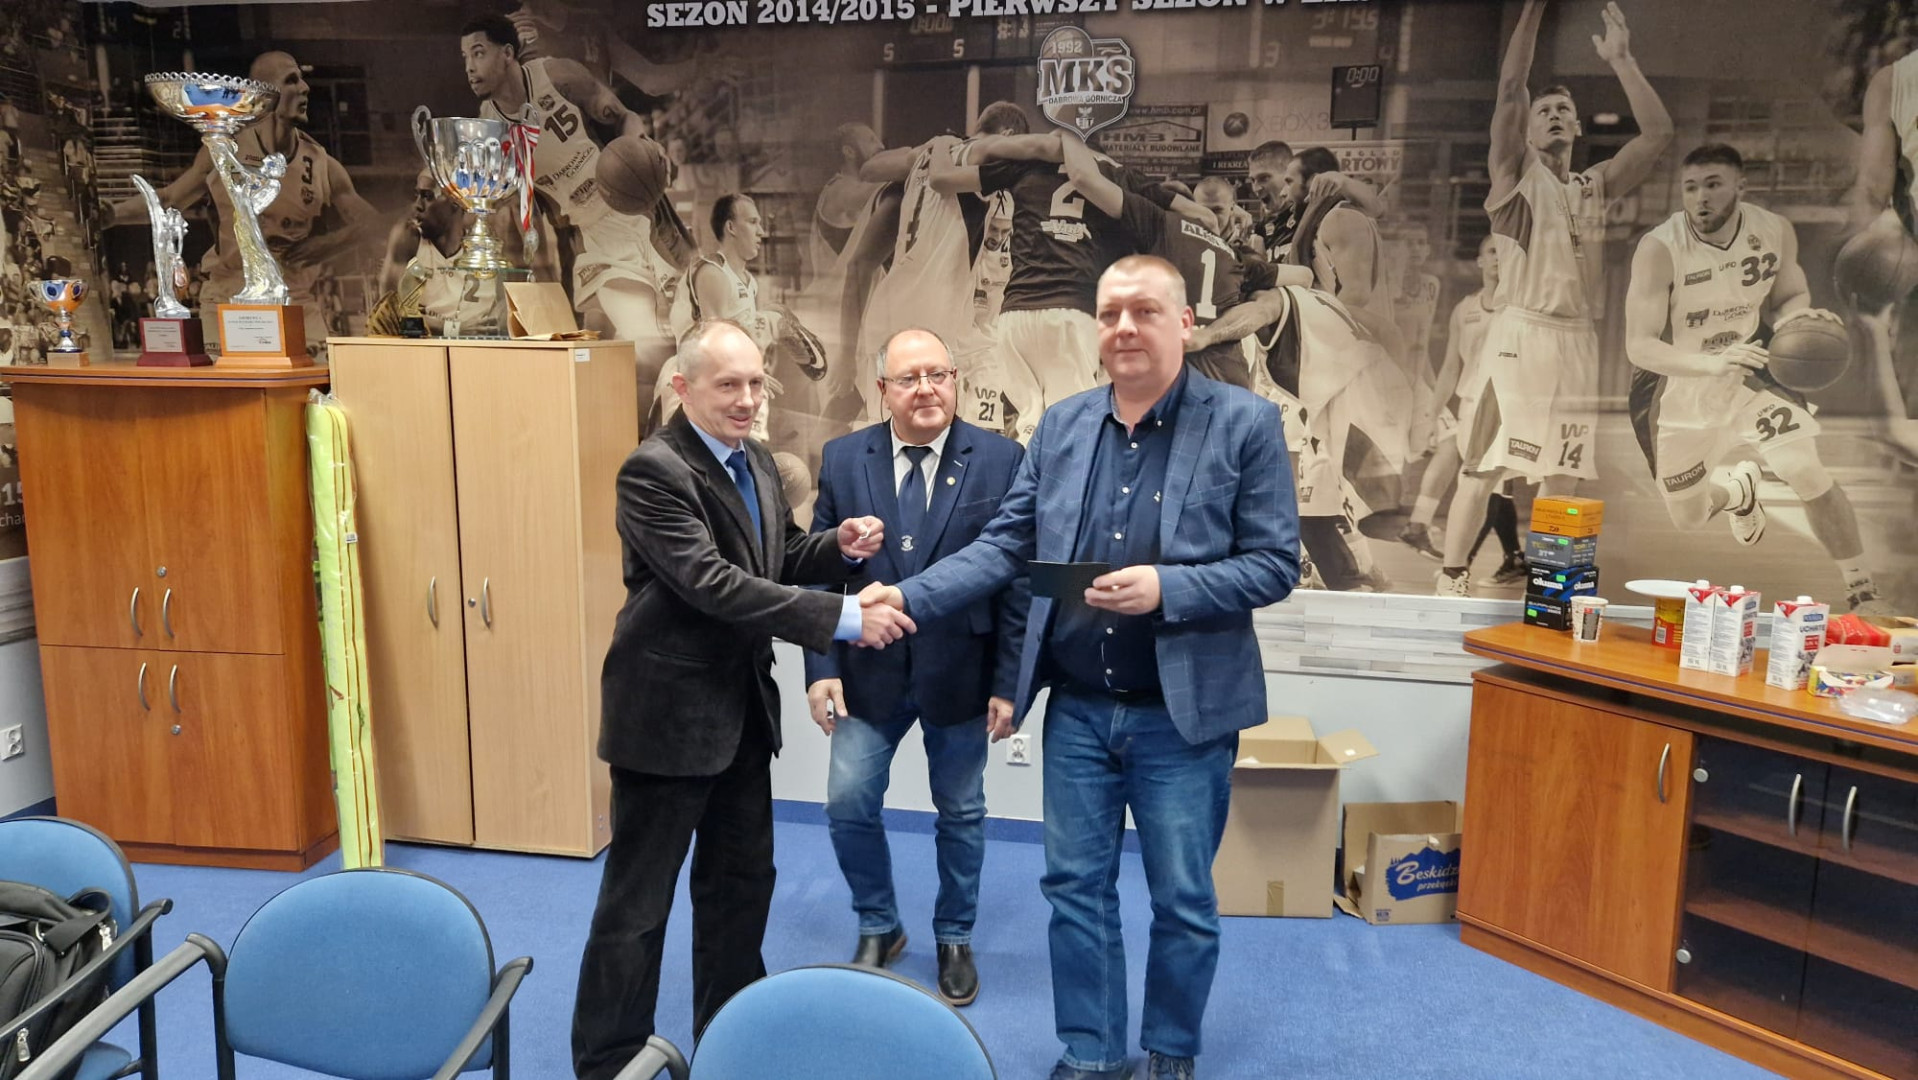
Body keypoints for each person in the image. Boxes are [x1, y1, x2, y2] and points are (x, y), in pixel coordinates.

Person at [863, 255, 1300, 1080]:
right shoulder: (1062, 427)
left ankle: (1170, 1050)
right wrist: (908, 596)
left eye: (1144, 311)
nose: (1124, 328)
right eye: (1109, 313)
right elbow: (1004, 545)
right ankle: (1093, 1053)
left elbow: (1274, 564)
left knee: (1182, 898)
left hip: (1183, 717)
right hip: (1078, 711)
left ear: (1185, 324)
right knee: (1074, 889)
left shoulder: (1245, 424)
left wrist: (1169, 588)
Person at [575, 319, 916, 1080]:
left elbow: (775, 556)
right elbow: (713, 584)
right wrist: (845, 617)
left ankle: (729, 1039)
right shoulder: (653, 471)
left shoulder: (754, 458)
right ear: (682, 386)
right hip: (664, 721)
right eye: (728, 384)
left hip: (740, 719)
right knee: (638, 905)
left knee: (740, 888)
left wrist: (836, 547)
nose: (747, 399)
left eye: (756, 383)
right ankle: (607, 1060)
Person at [803, 326, 1029, 1006]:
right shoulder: (845, 458)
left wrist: (1010, 683)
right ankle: (879, 924)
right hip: (866, 673)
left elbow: (1016, 583)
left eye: (938, 374)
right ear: (883, 390)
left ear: (956, 381)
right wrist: (820, 666)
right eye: (909, 378)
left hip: (961, 672)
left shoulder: (1002, 459)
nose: (926, 388)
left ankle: (955, 936)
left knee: (961, 812)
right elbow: (819, 572)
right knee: (847, 804)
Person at [1434, 0, 1672, 596]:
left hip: (1577, 340)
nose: (1555, 116)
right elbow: (1511, 85)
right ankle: (1451, 576)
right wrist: (1535, 8)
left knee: (1565, 473)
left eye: (1565, 110)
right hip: (1520, 336)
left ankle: (1552, 590)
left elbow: (1659, 135)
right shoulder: (1515, 174)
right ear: (1528, 129)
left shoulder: (1595, 185)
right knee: (1485, 466)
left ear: (1579, 127)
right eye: (1544, 111)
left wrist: (1622, 59)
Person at [1625, 144, 1889, 612]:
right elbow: (1640, 346)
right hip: (1676, 387)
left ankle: (1861, 589)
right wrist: (1711, 364)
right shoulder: (1659, 248)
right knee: (1688, 518)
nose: (1701, 197)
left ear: (1740, 187)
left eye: (1713, 185)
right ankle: (1738, 492)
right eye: (1690, 187)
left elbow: (1790, 295)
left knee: (1803, 469)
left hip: (1750, 372)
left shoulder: (1773, 230)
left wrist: (1799, 319)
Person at [462, 14, 697, 391]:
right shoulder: (491, 128)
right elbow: (512, 200)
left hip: (638, 205)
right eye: (465, 58)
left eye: (478, 53)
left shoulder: (557, 75)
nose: (470, 67)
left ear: (506, 53)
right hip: (591, 235)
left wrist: (640, 146)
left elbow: (624, 117)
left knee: (698, 317)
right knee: (638, 343)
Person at [111, 50, 379, 356]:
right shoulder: (227, 148)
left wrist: (328, 244)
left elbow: (371, 224)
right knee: (231, 382)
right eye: (292, 80)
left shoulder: (321, 163)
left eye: (302, 80)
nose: (305, 88)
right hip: (228, 295)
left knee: (324, 379)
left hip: (294, 298)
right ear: (267, 94)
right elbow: (171, 198)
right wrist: (111, 214)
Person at [1402, 234, 1527, 583]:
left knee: (1484, 487)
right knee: (1488, 488)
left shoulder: (1521, 307)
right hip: (1471, 408)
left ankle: (1459, 566)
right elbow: (1450, 368)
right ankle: (1507, 558)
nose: (1498, 258)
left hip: (1508, 407)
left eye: (1504, 252)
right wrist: (1431, 415)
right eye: (1491, 251)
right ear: (1480, 261)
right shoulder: (1465, 309)